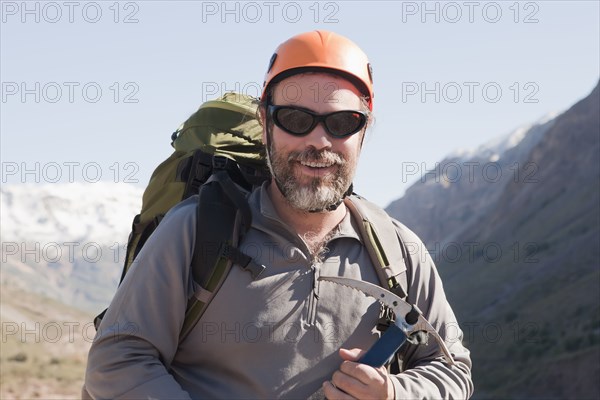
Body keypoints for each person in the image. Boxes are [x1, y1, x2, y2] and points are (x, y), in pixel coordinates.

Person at [83, 30, 473, 399]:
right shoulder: (194, 231)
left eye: (341, 123)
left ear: (364, 130)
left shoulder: (398, 251)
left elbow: (452, 370)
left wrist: (392, 393)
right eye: (296, 119)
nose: (319, 141)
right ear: (264, 121)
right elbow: (117, 359)